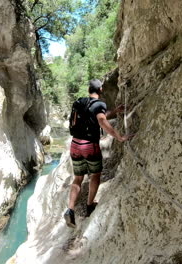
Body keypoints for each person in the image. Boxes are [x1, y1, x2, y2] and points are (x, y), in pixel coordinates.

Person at [64, 79, 130, 228]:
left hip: (75, 145)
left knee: (78, 178)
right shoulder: (99, 104)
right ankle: (89, 205)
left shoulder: (81, 102)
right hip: (89, 146)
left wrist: (114, 112)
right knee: (95, 175)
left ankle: (70, 210)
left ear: (89, 90)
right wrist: (119, 137)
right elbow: (101, 119)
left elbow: (96, 115)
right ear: (100, 90)